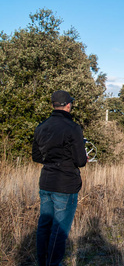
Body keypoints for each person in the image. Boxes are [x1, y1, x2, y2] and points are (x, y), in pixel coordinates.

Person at [32, 90, 88, 266]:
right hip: (65, 184)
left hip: (46, 182)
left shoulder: (41, 127)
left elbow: (36, 157)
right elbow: (80, 161)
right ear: (69, 105)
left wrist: (52, 159)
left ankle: (42, 262)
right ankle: (53, 263)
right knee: (59, 230)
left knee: (44, 226)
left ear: (53, 105)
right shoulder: (73, 128)